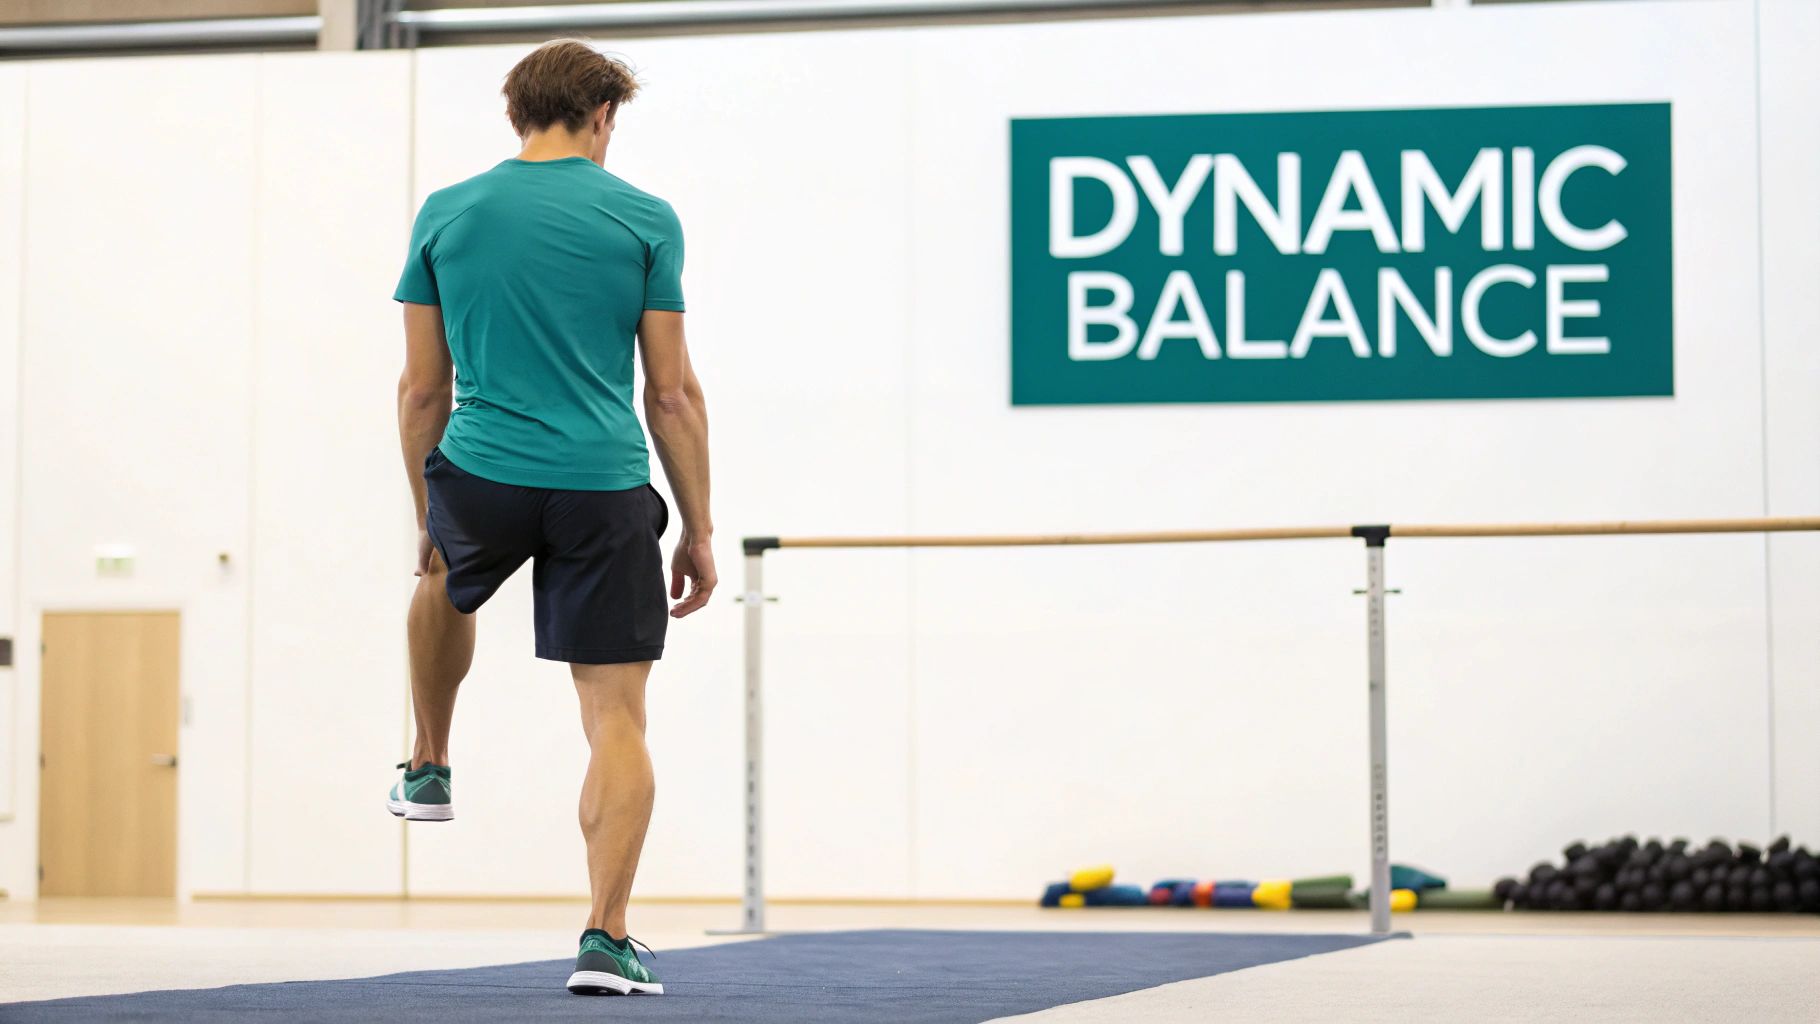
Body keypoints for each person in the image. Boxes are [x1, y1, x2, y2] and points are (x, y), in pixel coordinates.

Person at [388, 38, 714, 997]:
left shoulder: (448, 213)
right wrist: (695, 526)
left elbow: (420, 389)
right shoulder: (645, 220)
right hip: (602, 485)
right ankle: (605, 937)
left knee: (444, 577)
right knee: (616, 718)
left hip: (484, 468)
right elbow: (673, 395)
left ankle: (429, 761)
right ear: (604, 115)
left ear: (514, 115)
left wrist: (429, 512)